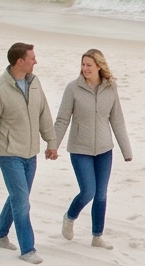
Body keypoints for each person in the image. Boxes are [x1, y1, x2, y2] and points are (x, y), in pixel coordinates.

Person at [50, 48, 137, 249]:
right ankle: (70, 217)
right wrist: (53, 145)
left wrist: (127, 151)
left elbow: (117, 120)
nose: (85, 68)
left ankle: (97, 236)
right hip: (80, 148)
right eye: (83, 64)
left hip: (105, 149)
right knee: (88, 191)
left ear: (99, 66)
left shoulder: (111, 88)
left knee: (101, 194)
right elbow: (62, 119)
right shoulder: (73, 88)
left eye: (89, 65)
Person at [0, 41, 56, 264]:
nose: (36, 61)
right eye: (32, 58)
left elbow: (44, 113)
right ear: (19, 61)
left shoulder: (34, 82)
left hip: (30, 153)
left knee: (18, 197)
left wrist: (51, 141)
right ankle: (28, 249)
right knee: (22, 201)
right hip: (8, 153)